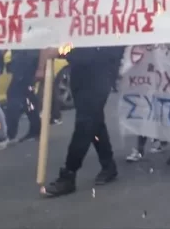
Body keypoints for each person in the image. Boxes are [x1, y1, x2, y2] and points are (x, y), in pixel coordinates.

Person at [43, 45, 124, 197]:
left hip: (100, 74)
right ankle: (108, 165)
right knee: (94, 121)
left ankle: (69, 173)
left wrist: (62, 51)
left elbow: (96, 48)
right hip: (80, 73)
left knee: (85, 123)